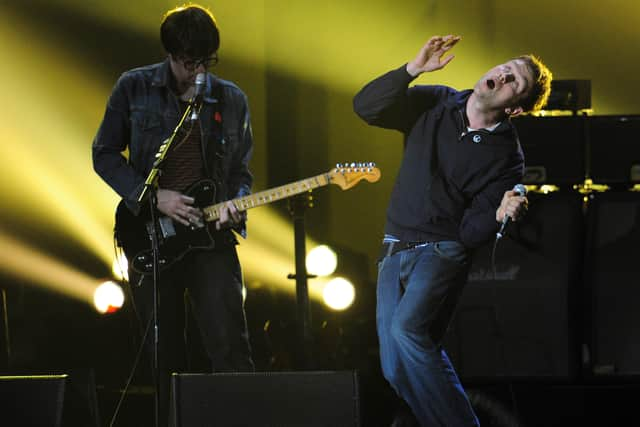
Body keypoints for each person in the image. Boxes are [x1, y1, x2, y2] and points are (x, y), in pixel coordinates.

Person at [353, 35, 552, 426]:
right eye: (506, 67)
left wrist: (497, 215)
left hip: (441, 251)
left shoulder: (506, 157)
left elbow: (469, 234)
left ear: (515, 107)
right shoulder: (437, 100)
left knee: (407, 330)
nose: (503, 75)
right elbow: (366, 107)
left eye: (515, 82)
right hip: (395, 245)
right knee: (395, 369)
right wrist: (412, 69)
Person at [92, 4, 254, 425]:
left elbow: (241, 172)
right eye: (188, 62)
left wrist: (236, 204)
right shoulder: (134, 87)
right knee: (165, 353)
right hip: (150, 232)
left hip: (211, 238)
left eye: (206, 61)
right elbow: (104, 154)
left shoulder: (231, 99)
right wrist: (153, 197)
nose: (197, 72)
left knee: (230, 345)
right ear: (170, 54)